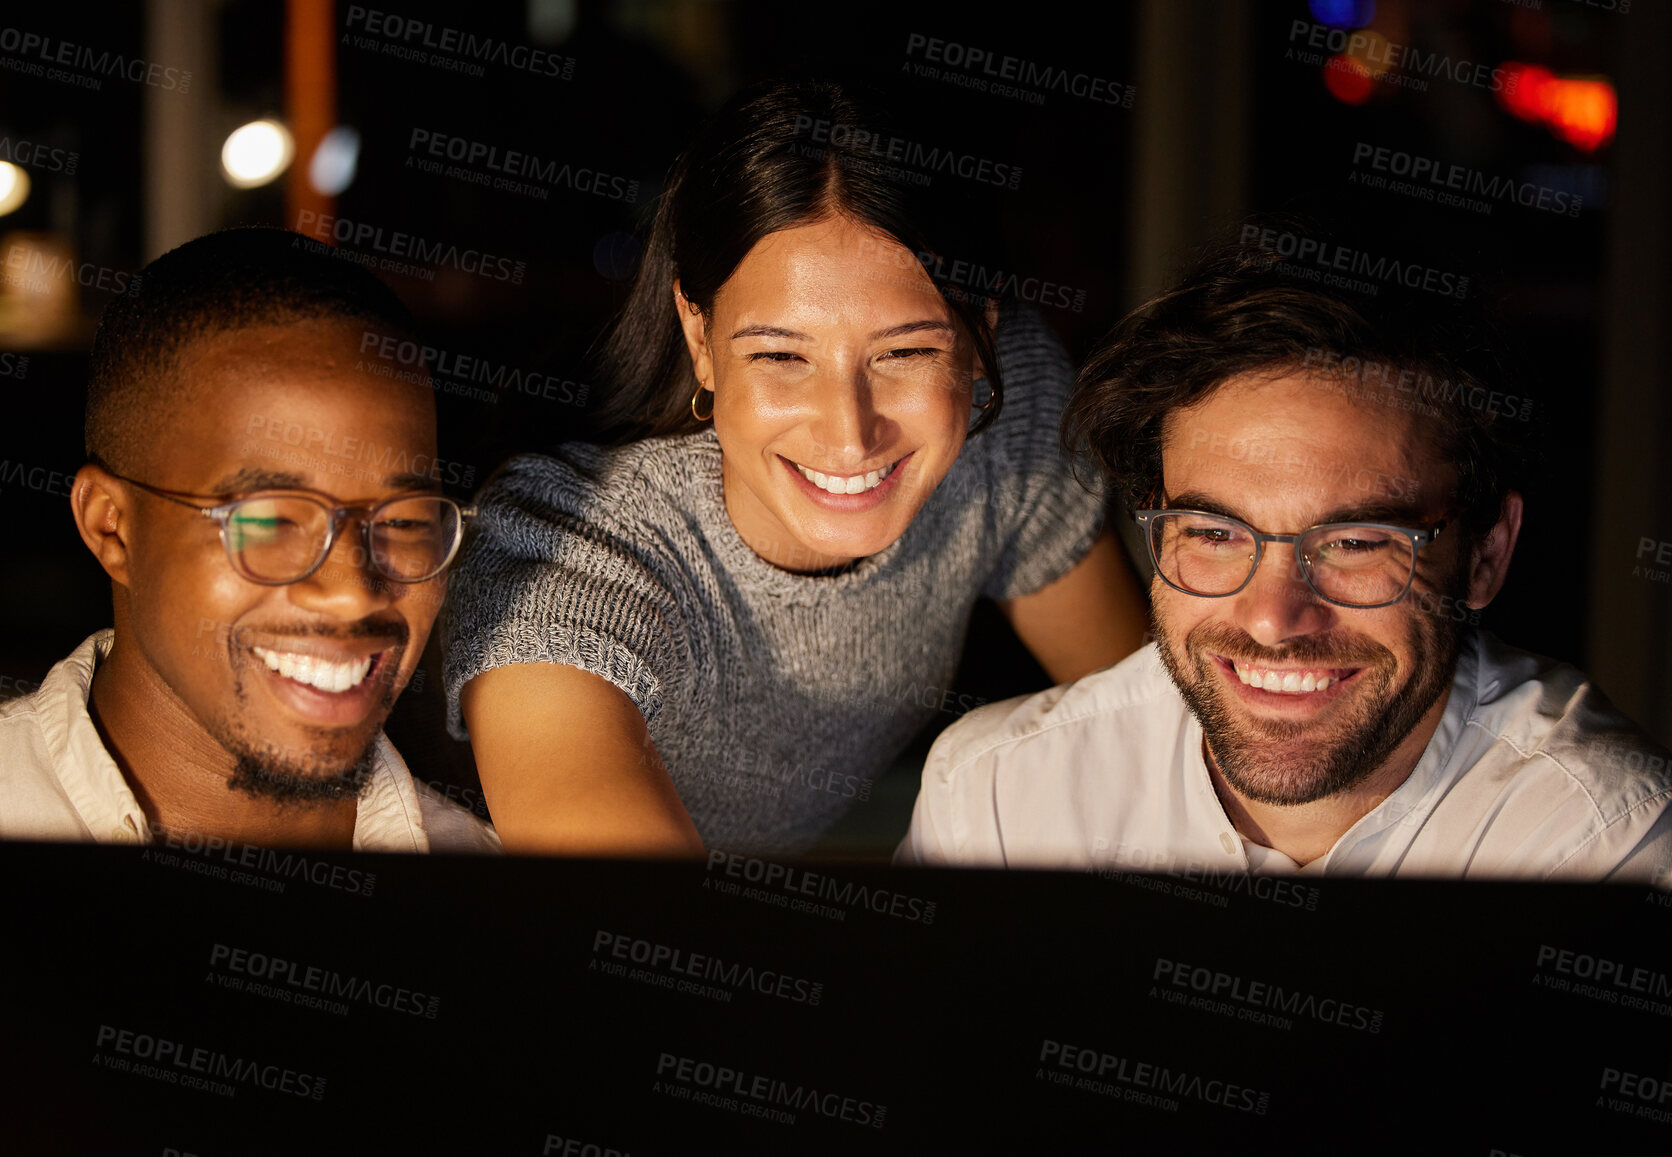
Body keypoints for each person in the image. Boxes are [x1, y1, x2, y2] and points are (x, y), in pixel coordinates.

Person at [440, 78, 1148, 857]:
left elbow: (1150, 743)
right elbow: (638, 928)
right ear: (699, 337)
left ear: (980, 332)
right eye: (781, 355)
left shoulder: (1006, 423)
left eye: (905, 352)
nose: (849, 435)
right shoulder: (570, 553)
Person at [899, 231, 1672, 880]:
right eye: (1213, 532)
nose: (1272, 619)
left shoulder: (1598, 842)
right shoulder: (995, 801)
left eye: (1356, 543)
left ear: (1486, 555)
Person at [0, 228, 498, 853]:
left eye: (403, 522)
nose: (352, 594)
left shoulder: (507, 913)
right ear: (112, 527)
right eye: (271, 521)